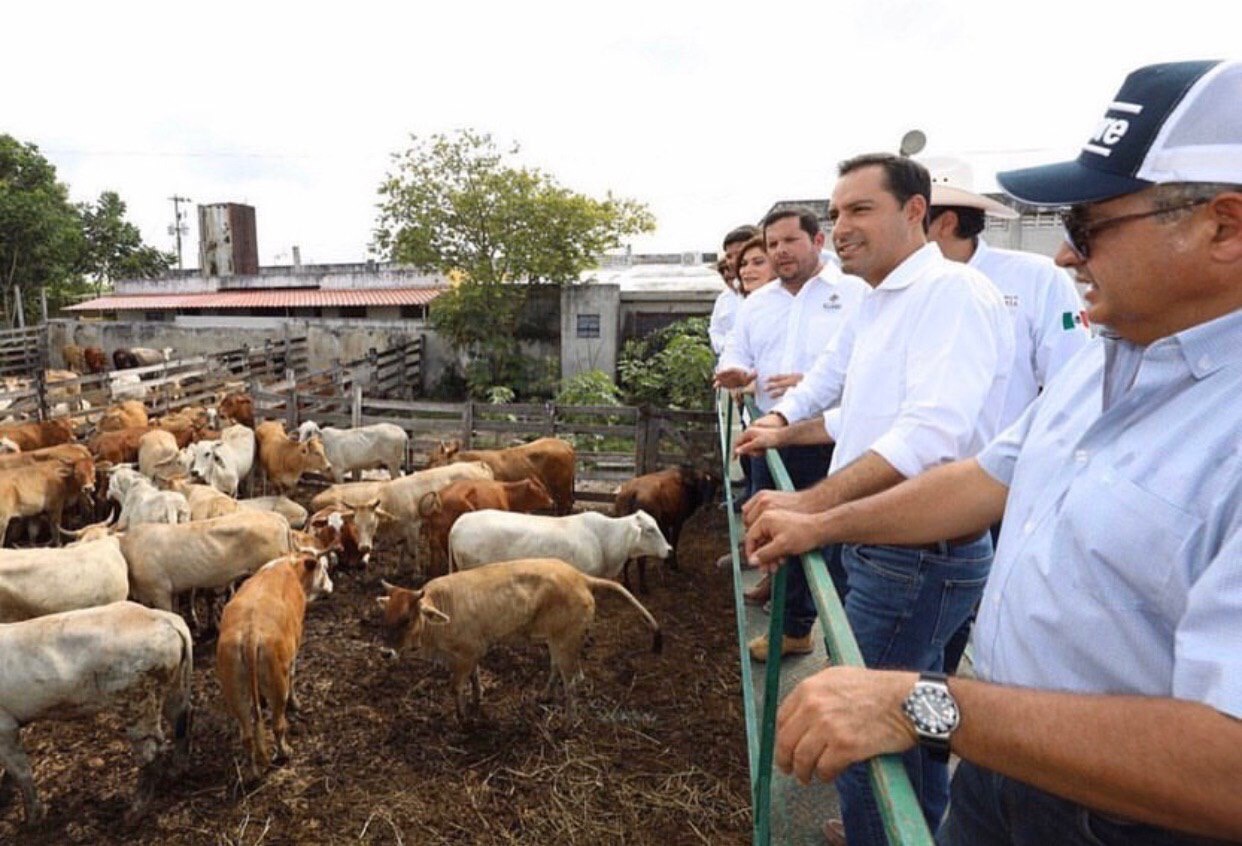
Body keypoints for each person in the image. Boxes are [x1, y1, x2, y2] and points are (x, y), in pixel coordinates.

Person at [743, 59, 1242, 845]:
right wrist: (819, 522)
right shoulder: (1110, 361)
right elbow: (982, 478)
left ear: (1224, 225)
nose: (1067, 258)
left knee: (880, 761)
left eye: (1088, 228)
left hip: (1130, 819)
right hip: (1005, 766)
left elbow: (1228, 769)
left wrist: (924, 704)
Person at [736, 153, 1014, 841]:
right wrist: (782, 421)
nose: (843, 226)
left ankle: (876, 830)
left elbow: (928, 435)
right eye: (836, 213)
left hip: (916, 551)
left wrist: (814, 507)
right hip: (898, 546)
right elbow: (845, 401)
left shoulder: (951, 294)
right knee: (905, 709)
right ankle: (903, 829)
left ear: (916, 212)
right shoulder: (878, 297)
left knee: (862, 726)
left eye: (860, 209)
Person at [924, 157, 1092, 674]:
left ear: (943, 222)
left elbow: (1069, 377)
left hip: (1003, 482)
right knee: (930, 620)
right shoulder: (904, 286)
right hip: (922, 481)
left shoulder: (1035, 277)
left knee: (989, 605)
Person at [715, 209, 867, 658]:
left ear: (817, 241)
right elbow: (734, 351)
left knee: (839, 541)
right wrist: (734, 372)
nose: (781, 251)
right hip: (771, 433)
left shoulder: (855, 293)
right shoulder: (757, 303)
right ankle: (796, 627)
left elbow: (866, 362)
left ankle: (847, 637)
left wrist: (811, 383)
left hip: (835, 437)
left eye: (790, 241)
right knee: (779, 527)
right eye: (773, 243)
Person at [708, 225, 760, 357]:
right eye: (729, 256)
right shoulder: (725, 298)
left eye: (739, 254)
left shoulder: (780, 292)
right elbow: (715, 330)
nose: (733, 261)